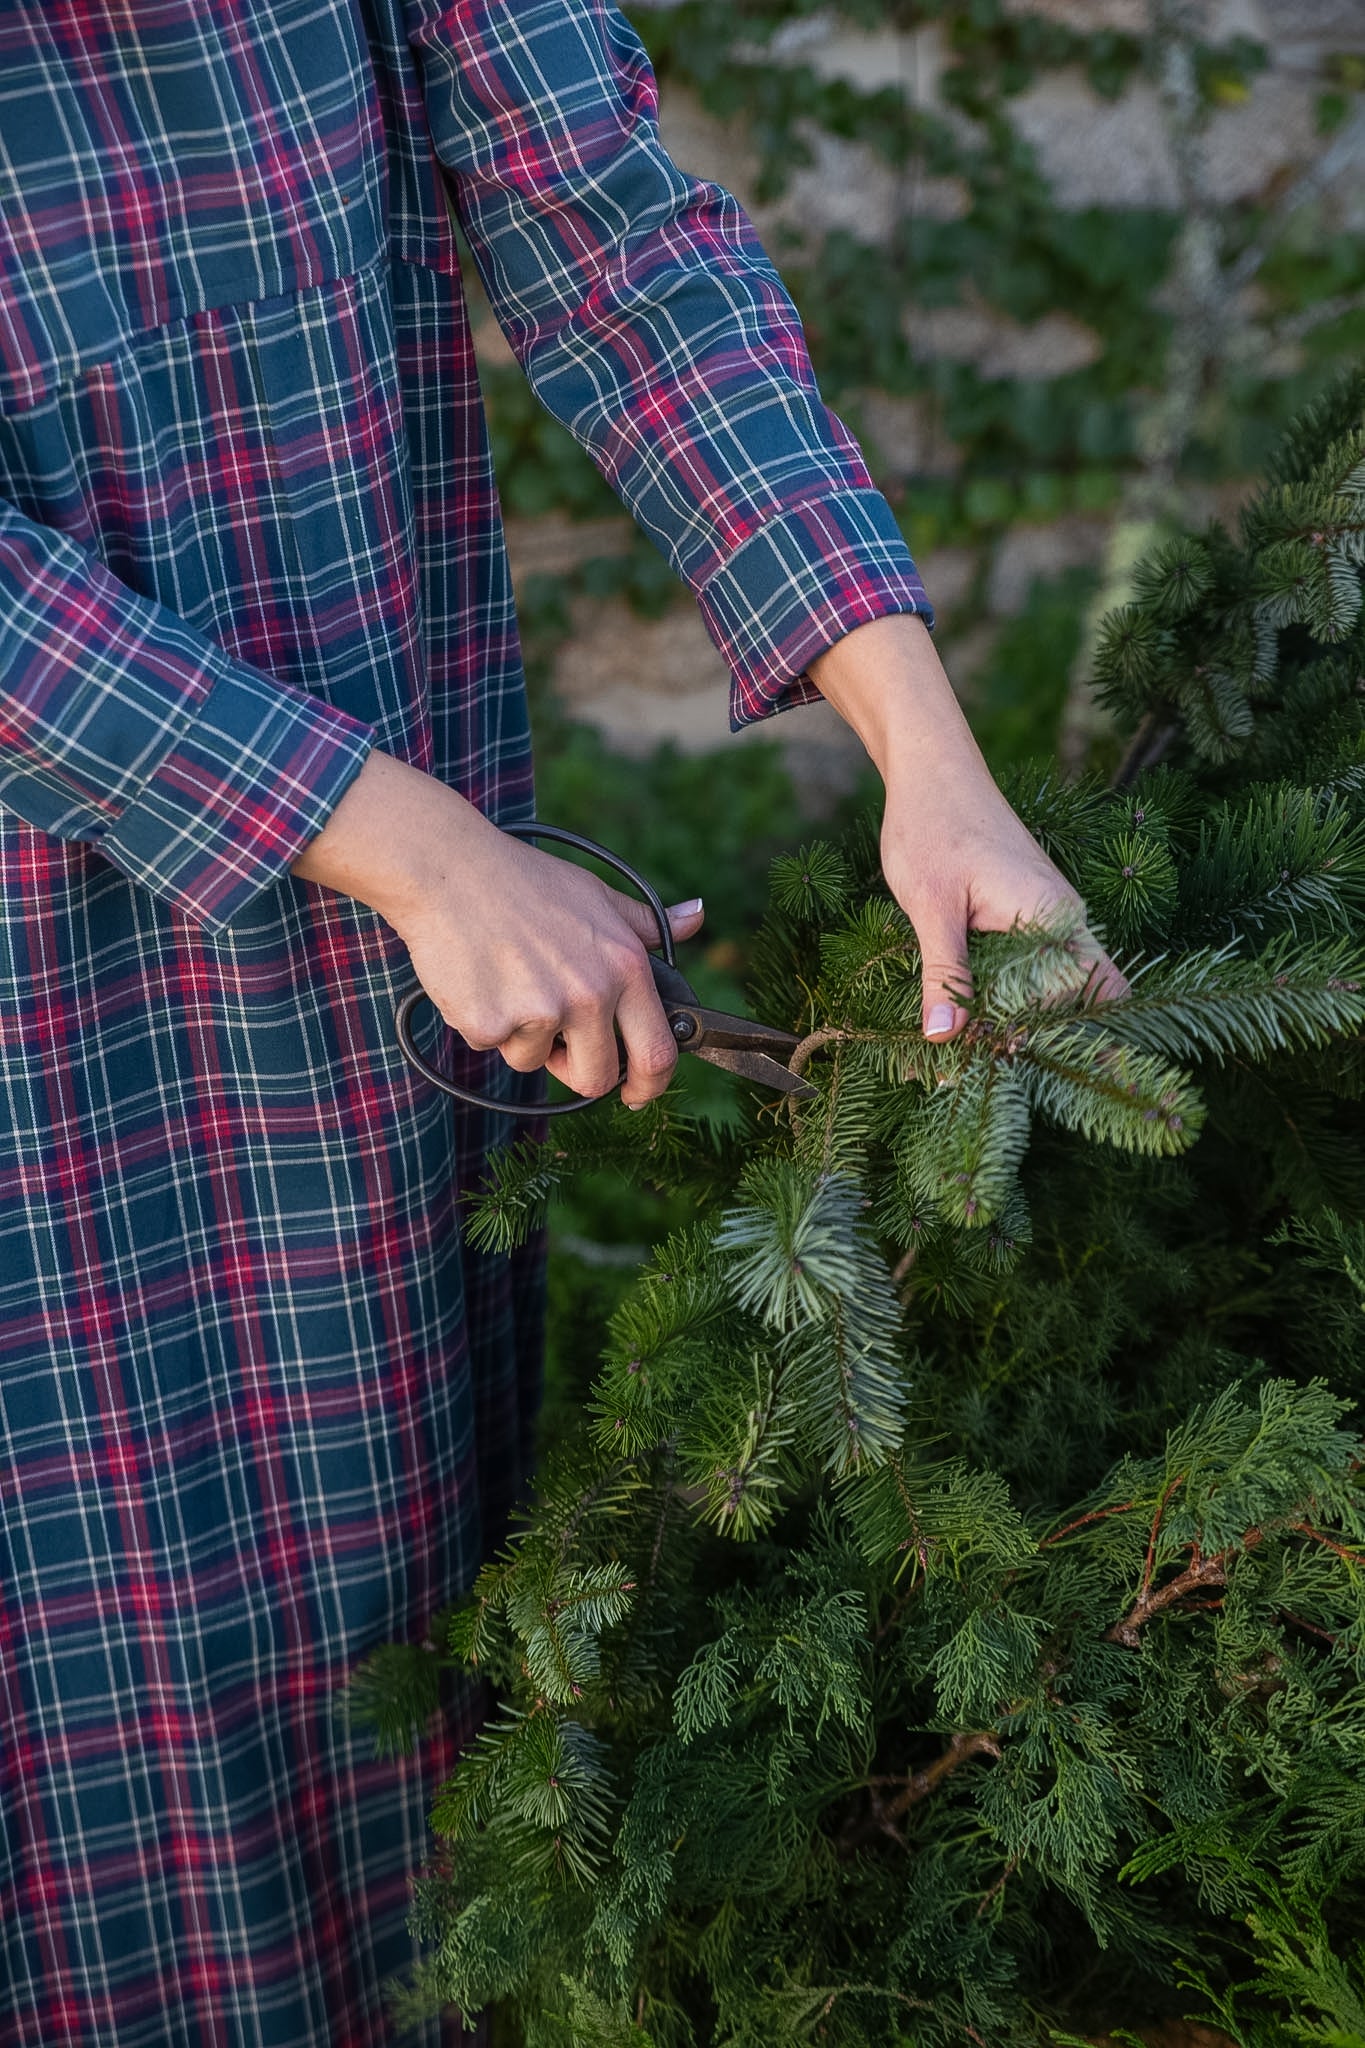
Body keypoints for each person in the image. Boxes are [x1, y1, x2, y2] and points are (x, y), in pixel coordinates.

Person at [0, 0, 1121, 2041]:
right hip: (52, 992)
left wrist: (926, 754)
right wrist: (405, 847)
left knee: (399, 1650)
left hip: (381, 982)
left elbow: (607, 226)